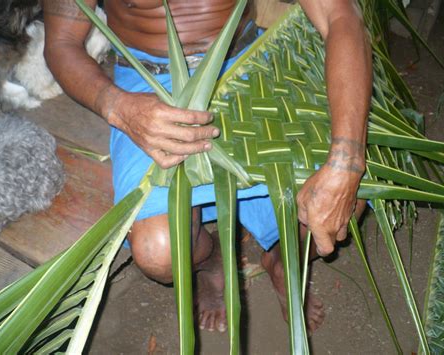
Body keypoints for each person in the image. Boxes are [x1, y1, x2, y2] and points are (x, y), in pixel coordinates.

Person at [43, 0, 371, 333]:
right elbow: (61, 44)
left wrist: (347, 162)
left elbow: (339, 14)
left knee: (348, 199)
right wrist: (118, 106)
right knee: (160, 251)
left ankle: (284, 260)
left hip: (250, 62)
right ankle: (209, 259)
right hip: (151, 82)